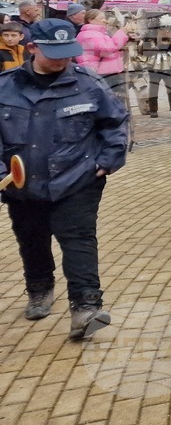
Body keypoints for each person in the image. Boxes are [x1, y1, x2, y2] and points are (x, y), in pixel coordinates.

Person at [0, 19, 129, 339]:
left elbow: (115, 123)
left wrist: (107, 161)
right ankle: (39, 289)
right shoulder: (5, 86)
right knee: (32, 239)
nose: (62, 60)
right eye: (54, 53)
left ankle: (86, 307)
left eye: (68, 52)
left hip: (77, 180)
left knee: (79, 240)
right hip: (21, 185)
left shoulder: (89, 84)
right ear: (32, 48)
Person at [76, 9, 130, 106]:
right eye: (101, 18)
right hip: (101, 72)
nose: (104, 20)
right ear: (91, 20)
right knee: (110, 103)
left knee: (114, 102)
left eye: (104, 18)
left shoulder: (99, 33)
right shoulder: (89, 34)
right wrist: (121, 33)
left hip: (106, 71)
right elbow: (106, 49)